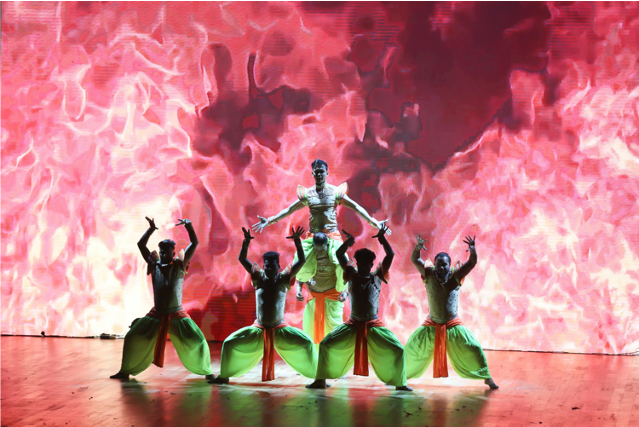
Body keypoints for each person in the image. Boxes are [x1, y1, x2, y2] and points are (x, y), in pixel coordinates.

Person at [306, 224, 412, 391]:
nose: (365, 266)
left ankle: (400, 383)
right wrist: (348, 242)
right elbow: (339, 254)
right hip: (353, 324)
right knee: (326, 344)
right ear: (357, 262)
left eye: (368, 263)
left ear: (371, 264)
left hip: (372, 324)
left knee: (397, 349)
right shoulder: (351, 274)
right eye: (361, 262)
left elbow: (390, 254)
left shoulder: (378, 276)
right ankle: (320, 380)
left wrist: (383, 240)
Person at [209, 226, 318, 384]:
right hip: (259, 329)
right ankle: (224, 376)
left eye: (272, 266)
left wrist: (297, 242)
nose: (269, 269)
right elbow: (242, 259)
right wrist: (246, 242)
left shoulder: (283, 278)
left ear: (278, 267)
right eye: (266, 266)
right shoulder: (258, 277)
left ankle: (317, 378)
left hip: (279, 329)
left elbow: (301, 261)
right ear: (264, 265)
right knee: (229, 343)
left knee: (306, 343)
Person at [110, 217, 213, 381]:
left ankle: (207, 372)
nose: (164, 254)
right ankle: (125, 371)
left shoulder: (179, 264)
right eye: (162, 251)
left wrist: (189, 226)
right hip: (157, 314)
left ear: (174, 251)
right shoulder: (154, 264)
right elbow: (141, 245)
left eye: (167, 251)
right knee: (132, 337)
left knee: (198, 341)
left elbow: (194, 243)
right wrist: (151, 229)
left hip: (176, 314)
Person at [405, 234, 498, 389]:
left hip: (452, 324)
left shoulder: (456, 275)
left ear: (449, 265)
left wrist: (473, 250)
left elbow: (472, 262)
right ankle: (400, 378)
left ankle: (487, 378)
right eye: (439, 264)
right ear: (435, 264)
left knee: (474, 348)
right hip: (432, 324)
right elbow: (415, 259)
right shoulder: (428, 274)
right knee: (411, 348)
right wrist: (418, 247)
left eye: (445, 265)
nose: (442, 267)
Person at [295, 232, 348, 345]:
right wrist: (299, 289)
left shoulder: (335, 254)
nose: (319, 252)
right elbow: (302, 273)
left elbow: (345, 273)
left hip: (332, 297)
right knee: (311, 331)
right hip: (314, 297)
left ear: (327, 244)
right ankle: (317, 359)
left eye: (322, 249)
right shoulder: (309, 255)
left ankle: (336, 359)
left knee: (336, 331)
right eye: (316, 249)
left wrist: (345, 291)